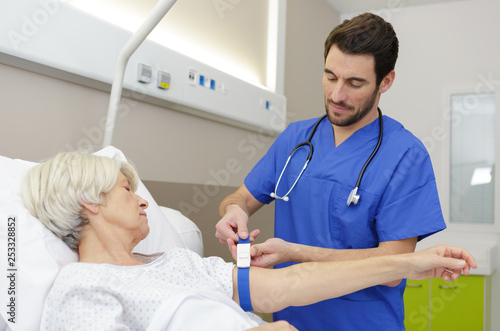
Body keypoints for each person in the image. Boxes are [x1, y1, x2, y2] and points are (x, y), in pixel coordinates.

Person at [23, 152, 474, 330]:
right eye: (126, 191)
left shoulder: (177, 262)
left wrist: (409, 264)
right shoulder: (80, 287)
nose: (143, 202)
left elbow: (286, 286)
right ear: (89, 203)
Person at [216, 12, 447, 330]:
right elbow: (240, 197)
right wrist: (233, 212)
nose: (337, 95)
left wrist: (293, 252)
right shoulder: (295, 140)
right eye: (330, 76)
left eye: (355, 83)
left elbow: (394, 268)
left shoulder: (406, 154)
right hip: (291, 321)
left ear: (386, 81)